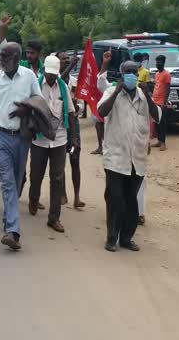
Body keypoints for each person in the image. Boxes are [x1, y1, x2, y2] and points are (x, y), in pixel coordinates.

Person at [97, 60, 159, 252]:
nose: (132, 75)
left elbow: (157, 116)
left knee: (131, 199)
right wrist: (116, 91)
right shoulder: (111, 92)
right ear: (122, 74)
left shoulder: (143, 95)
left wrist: (148, 95)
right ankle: (111, 237)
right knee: (115, 198)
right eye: (128, 72)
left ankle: (126, 237)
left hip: (137, 157)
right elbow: (101, 111)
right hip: (115, 156)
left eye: (134, 71)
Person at [0, 41, 42, 251]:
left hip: (22, 138)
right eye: (0, 56)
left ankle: (8, 221)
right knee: (8, 182)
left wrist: (27, 109)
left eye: (5, 56)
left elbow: (38, 99)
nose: (1, 59)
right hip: (1, 136)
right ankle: (13, 231)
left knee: (18, 180)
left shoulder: (29, 76)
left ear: (16, 57)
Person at [28, 55, 77, 233]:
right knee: (36, 175)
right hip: (39, 140)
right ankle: (33, 199)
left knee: (57, 179)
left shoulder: (63, 87)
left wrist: (74, 138)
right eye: (49, 74)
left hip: (59, 139)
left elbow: (71, 113)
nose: (51, 78)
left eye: (54, 75)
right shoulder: (36, 86)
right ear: (44, 71)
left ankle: (54, 218)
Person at [56, 51, 85, 209]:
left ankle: (77, 196)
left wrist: (75, 106)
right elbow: (60, 79)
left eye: (68, 59)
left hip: (74, 125)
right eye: (63, 59)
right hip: (60, 126)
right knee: (60, 163)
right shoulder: (55, 81)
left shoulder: (75, 82)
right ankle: (62, 194)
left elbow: (81, 104)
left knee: (75, 160)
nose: (66, 61)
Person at [91, 50, 113, 155]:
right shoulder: (97, 78)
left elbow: (101, 80)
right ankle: (101, 147)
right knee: (98, 126)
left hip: (108, 111)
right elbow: (100, 80)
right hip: (97, 105)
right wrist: (105, 63)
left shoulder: (111, 84)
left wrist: (105, 64)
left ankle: (107, 147)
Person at [151, 55, 171, 151]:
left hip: (161, 102)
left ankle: (163, 144)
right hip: (155, 101)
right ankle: (159, 141)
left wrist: (164, 102)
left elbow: (168, 89)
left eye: (159, 62)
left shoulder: (166, 74)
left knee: (162, 124)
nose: (157, 64)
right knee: (157, 123)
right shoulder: (156, 74)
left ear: (163, 63)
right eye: (156, 62)